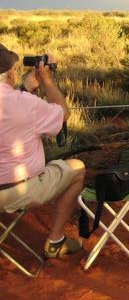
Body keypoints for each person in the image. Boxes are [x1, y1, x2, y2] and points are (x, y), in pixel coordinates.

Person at [0, 44, 86, 258]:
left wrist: (24, 88)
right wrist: (47, 79)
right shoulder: (25, 103)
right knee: (77, 169)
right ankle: (55, 241)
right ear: (9, 73)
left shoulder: (21, 99)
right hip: (16, 191)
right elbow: (62, 114)